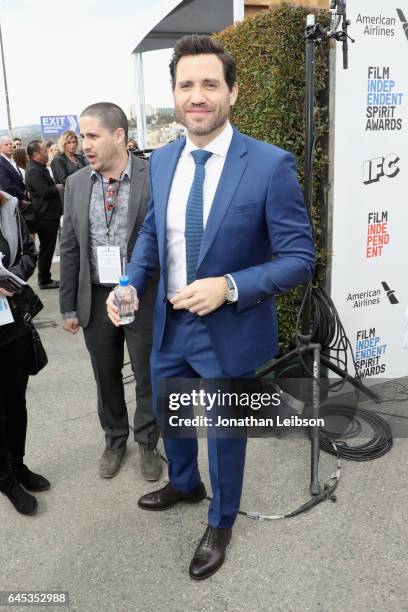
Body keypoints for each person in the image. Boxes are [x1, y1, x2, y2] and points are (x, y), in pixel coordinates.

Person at [107, 34, 315, 580]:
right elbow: (154, 234)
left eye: (209, 84)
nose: (197, 96)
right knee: (173, 414)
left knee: (224, 432)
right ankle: (183, 483)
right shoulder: (164, 158)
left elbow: (300, 259)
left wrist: (229, 285)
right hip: (169, 324)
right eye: (186, 85)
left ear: (233, 92)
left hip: (229, 328)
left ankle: (221, 520)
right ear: (174, 95)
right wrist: (129, 281)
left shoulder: (270, 165)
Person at [59, 102, 161, 481]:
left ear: (118, 135)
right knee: (106, 375)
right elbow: (70, 246)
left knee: (147, 373)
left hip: (142, 295)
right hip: (96, 295)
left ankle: (148, 442)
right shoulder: (76, 183)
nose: (84, 144)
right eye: (82, 136)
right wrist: (68, 306)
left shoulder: (152, 177)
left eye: (92, 135)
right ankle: (115, 439)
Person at [0, 190, 50, 515]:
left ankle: (18, 465)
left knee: (16, 399)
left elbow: (30, 251)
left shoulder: (9, 206)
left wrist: (12, 280)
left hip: (13, 319)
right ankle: (5, 479)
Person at [25, 140, 63, 289]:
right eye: (43, 150)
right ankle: (44, 280)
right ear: (35, 155)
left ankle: (45, 278)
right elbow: (44, 192)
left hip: (49, 213)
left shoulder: (40, 167)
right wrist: (59, 187)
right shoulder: (34, 170)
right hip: (44, 215)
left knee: (48, 247)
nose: (46, 151)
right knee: (47, 248)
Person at [0, 136, 26, 201]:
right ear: (0, 148)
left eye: (11, 144)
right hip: (14, 200)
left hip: (23, 197)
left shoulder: (13, 160)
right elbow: (7, 186)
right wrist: (23, 196)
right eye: (6, 145)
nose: (9, 146)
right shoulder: (1, 163)